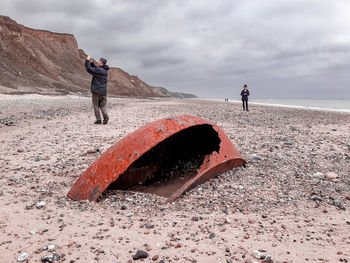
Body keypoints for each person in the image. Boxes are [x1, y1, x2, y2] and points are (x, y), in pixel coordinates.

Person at [85, 55, 110, 124]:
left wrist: (87, 61)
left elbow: (89, 69)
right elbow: (96, 69)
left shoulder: (99, 70)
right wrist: (92, 63)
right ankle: (105, 116)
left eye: (99, 61)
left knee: (96, 106)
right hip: (103, 92)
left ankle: (98, 120)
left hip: (96, 91)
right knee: (103, 106)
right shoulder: (105, 70)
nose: (98, 62)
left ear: (101, 63)